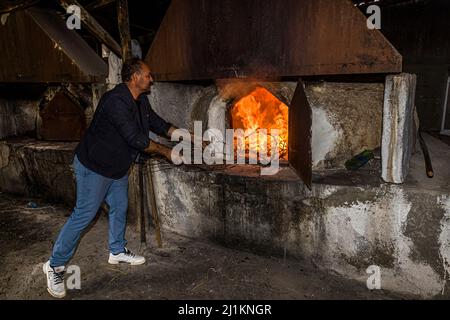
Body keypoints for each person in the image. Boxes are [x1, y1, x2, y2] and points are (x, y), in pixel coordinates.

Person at [43, 58, 178, 298]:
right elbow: (135, 138)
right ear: (135, 77)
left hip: (116, 168)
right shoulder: (115, 101)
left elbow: (157, 123)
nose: (151, 79)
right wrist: (167, 152)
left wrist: (185, 136)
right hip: (94, 167)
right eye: (148, 75)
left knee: (120, 207)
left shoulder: (140, 101)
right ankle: (54, 265)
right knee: (83, 216)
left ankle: (116, 251)